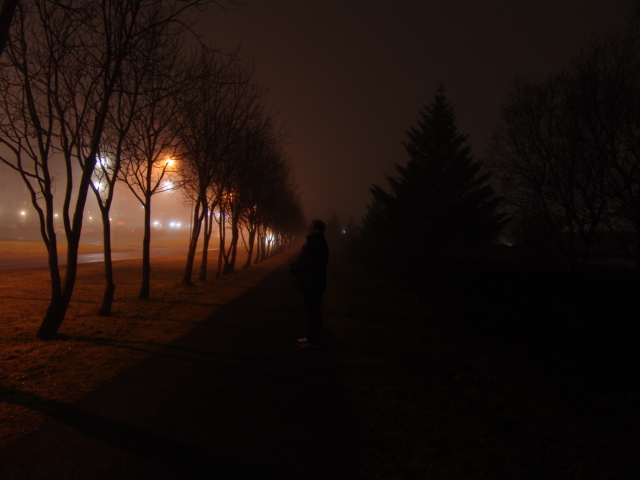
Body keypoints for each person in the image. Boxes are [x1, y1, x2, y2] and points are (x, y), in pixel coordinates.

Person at [290, 219, 329, 348]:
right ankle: (311, 338)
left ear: (317, 229)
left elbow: (304, 260)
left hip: (312, 283)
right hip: (314, 282)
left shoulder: (315, 243)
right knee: (313, 312)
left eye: (310, 227)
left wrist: (293, 268)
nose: (308, 228)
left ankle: (312, 341)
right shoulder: (318, 242)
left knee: (313, 312)